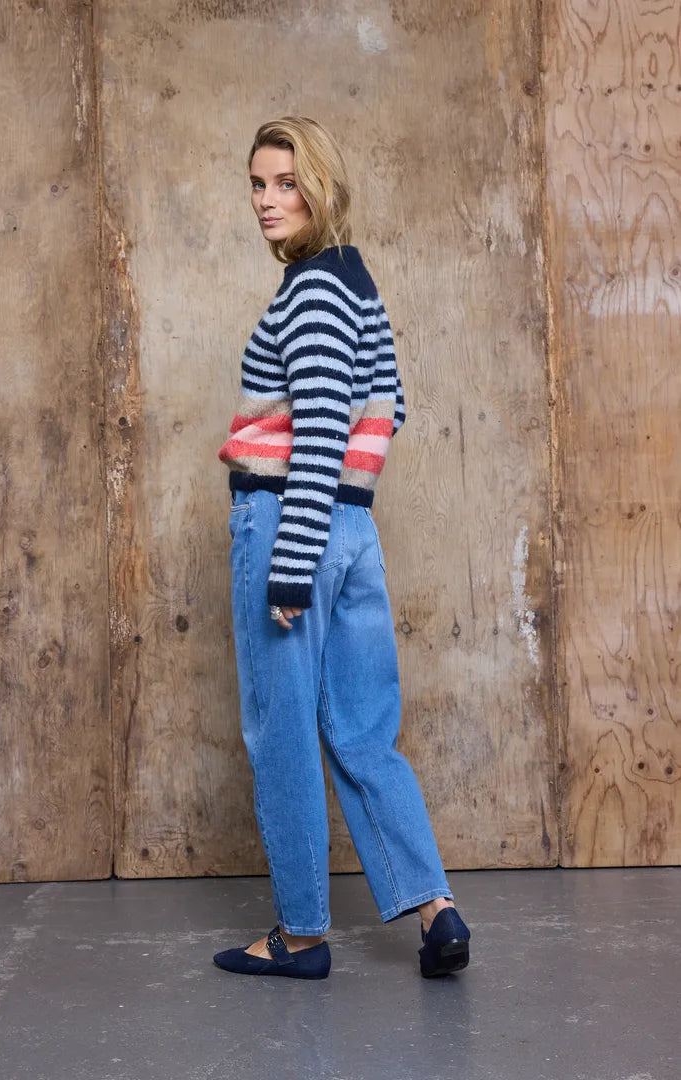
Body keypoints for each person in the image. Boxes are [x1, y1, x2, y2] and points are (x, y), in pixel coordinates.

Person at [214, 116, 470, 980]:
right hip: (351, 527)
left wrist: (292, 562)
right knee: (362, 732)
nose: (266, 201)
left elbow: (322, 426)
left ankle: (301, 935)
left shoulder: (312, 291)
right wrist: (340, 520)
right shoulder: (358, 285)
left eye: (286, 183)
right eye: (257, 183)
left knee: (283, 732)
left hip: (293, 523)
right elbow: (386, 409)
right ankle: (436, 910)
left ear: (320, 189)